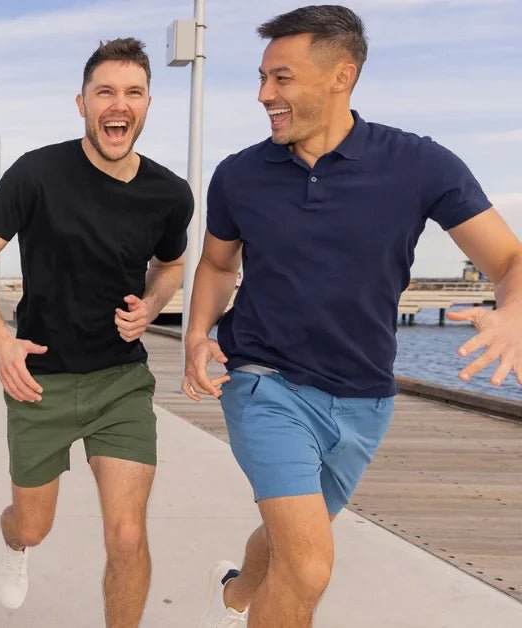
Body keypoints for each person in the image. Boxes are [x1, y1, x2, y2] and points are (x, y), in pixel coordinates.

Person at [183, 6, 522, 627]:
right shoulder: (239, 175)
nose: (264, 95)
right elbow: (216, 264)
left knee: (289, 542)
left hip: (365, 399)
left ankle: (231, 597)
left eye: (281, 78)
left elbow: (509, 260)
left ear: (342, 75)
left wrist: (515, 312)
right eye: (262, 77)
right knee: (309, 565)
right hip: (263, 382)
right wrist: (197, 335)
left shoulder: (420, 164)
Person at [0, 38, 193, 627]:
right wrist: (0, 342)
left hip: (121, 382)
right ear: (82, 103)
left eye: (133, 92)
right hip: (40, 381)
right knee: (33, 525)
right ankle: (14, 543)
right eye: (104, 92)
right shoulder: (36, 173)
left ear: (147, 103)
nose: (119, 104)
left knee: (127, 535)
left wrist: (152, 304)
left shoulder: (169, 194)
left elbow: (172, 265)